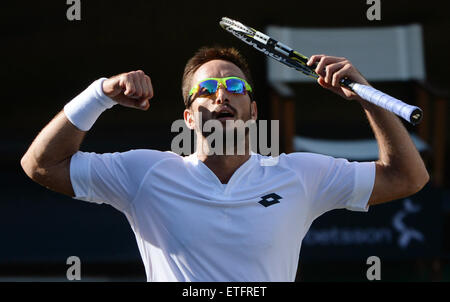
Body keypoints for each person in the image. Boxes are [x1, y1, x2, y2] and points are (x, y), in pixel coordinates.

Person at [20, 46, 429, 282]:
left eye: (234, 86)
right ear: (189, 117)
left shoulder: (300, 175)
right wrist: (101, 94)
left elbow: (407, 177)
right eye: (208, 89)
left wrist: (365, 97)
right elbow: (41, 164)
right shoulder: (144, 174)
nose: (221, 96)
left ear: (252, 110)